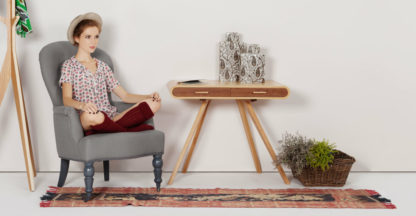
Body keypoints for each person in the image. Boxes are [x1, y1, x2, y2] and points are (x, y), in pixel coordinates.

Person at [59, 12, 161, 135]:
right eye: (88, 37)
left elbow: (125, 96)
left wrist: (148, 97)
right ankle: (125, 129)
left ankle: (110, 127)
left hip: (111, 116)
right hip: (89, 117)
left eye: (96, 37)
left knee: (155, 103)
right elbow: (67, 99)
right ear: (77, 38)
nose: (93, 41)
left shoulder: (103, 66)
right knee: (94, 116)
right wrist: (83, 106)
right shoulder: (69, 65)